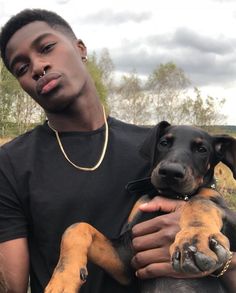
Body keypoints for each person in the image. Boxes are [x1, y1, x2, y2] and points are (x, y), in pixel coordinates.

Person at [0, 8, 235, 293]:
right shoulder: (9, 162)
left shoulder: (155, 150)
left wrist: (222, 262)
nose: (38, 67)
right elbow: (11, 286)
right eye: (22, 68)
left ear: (80, 48)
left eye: (47, 47)